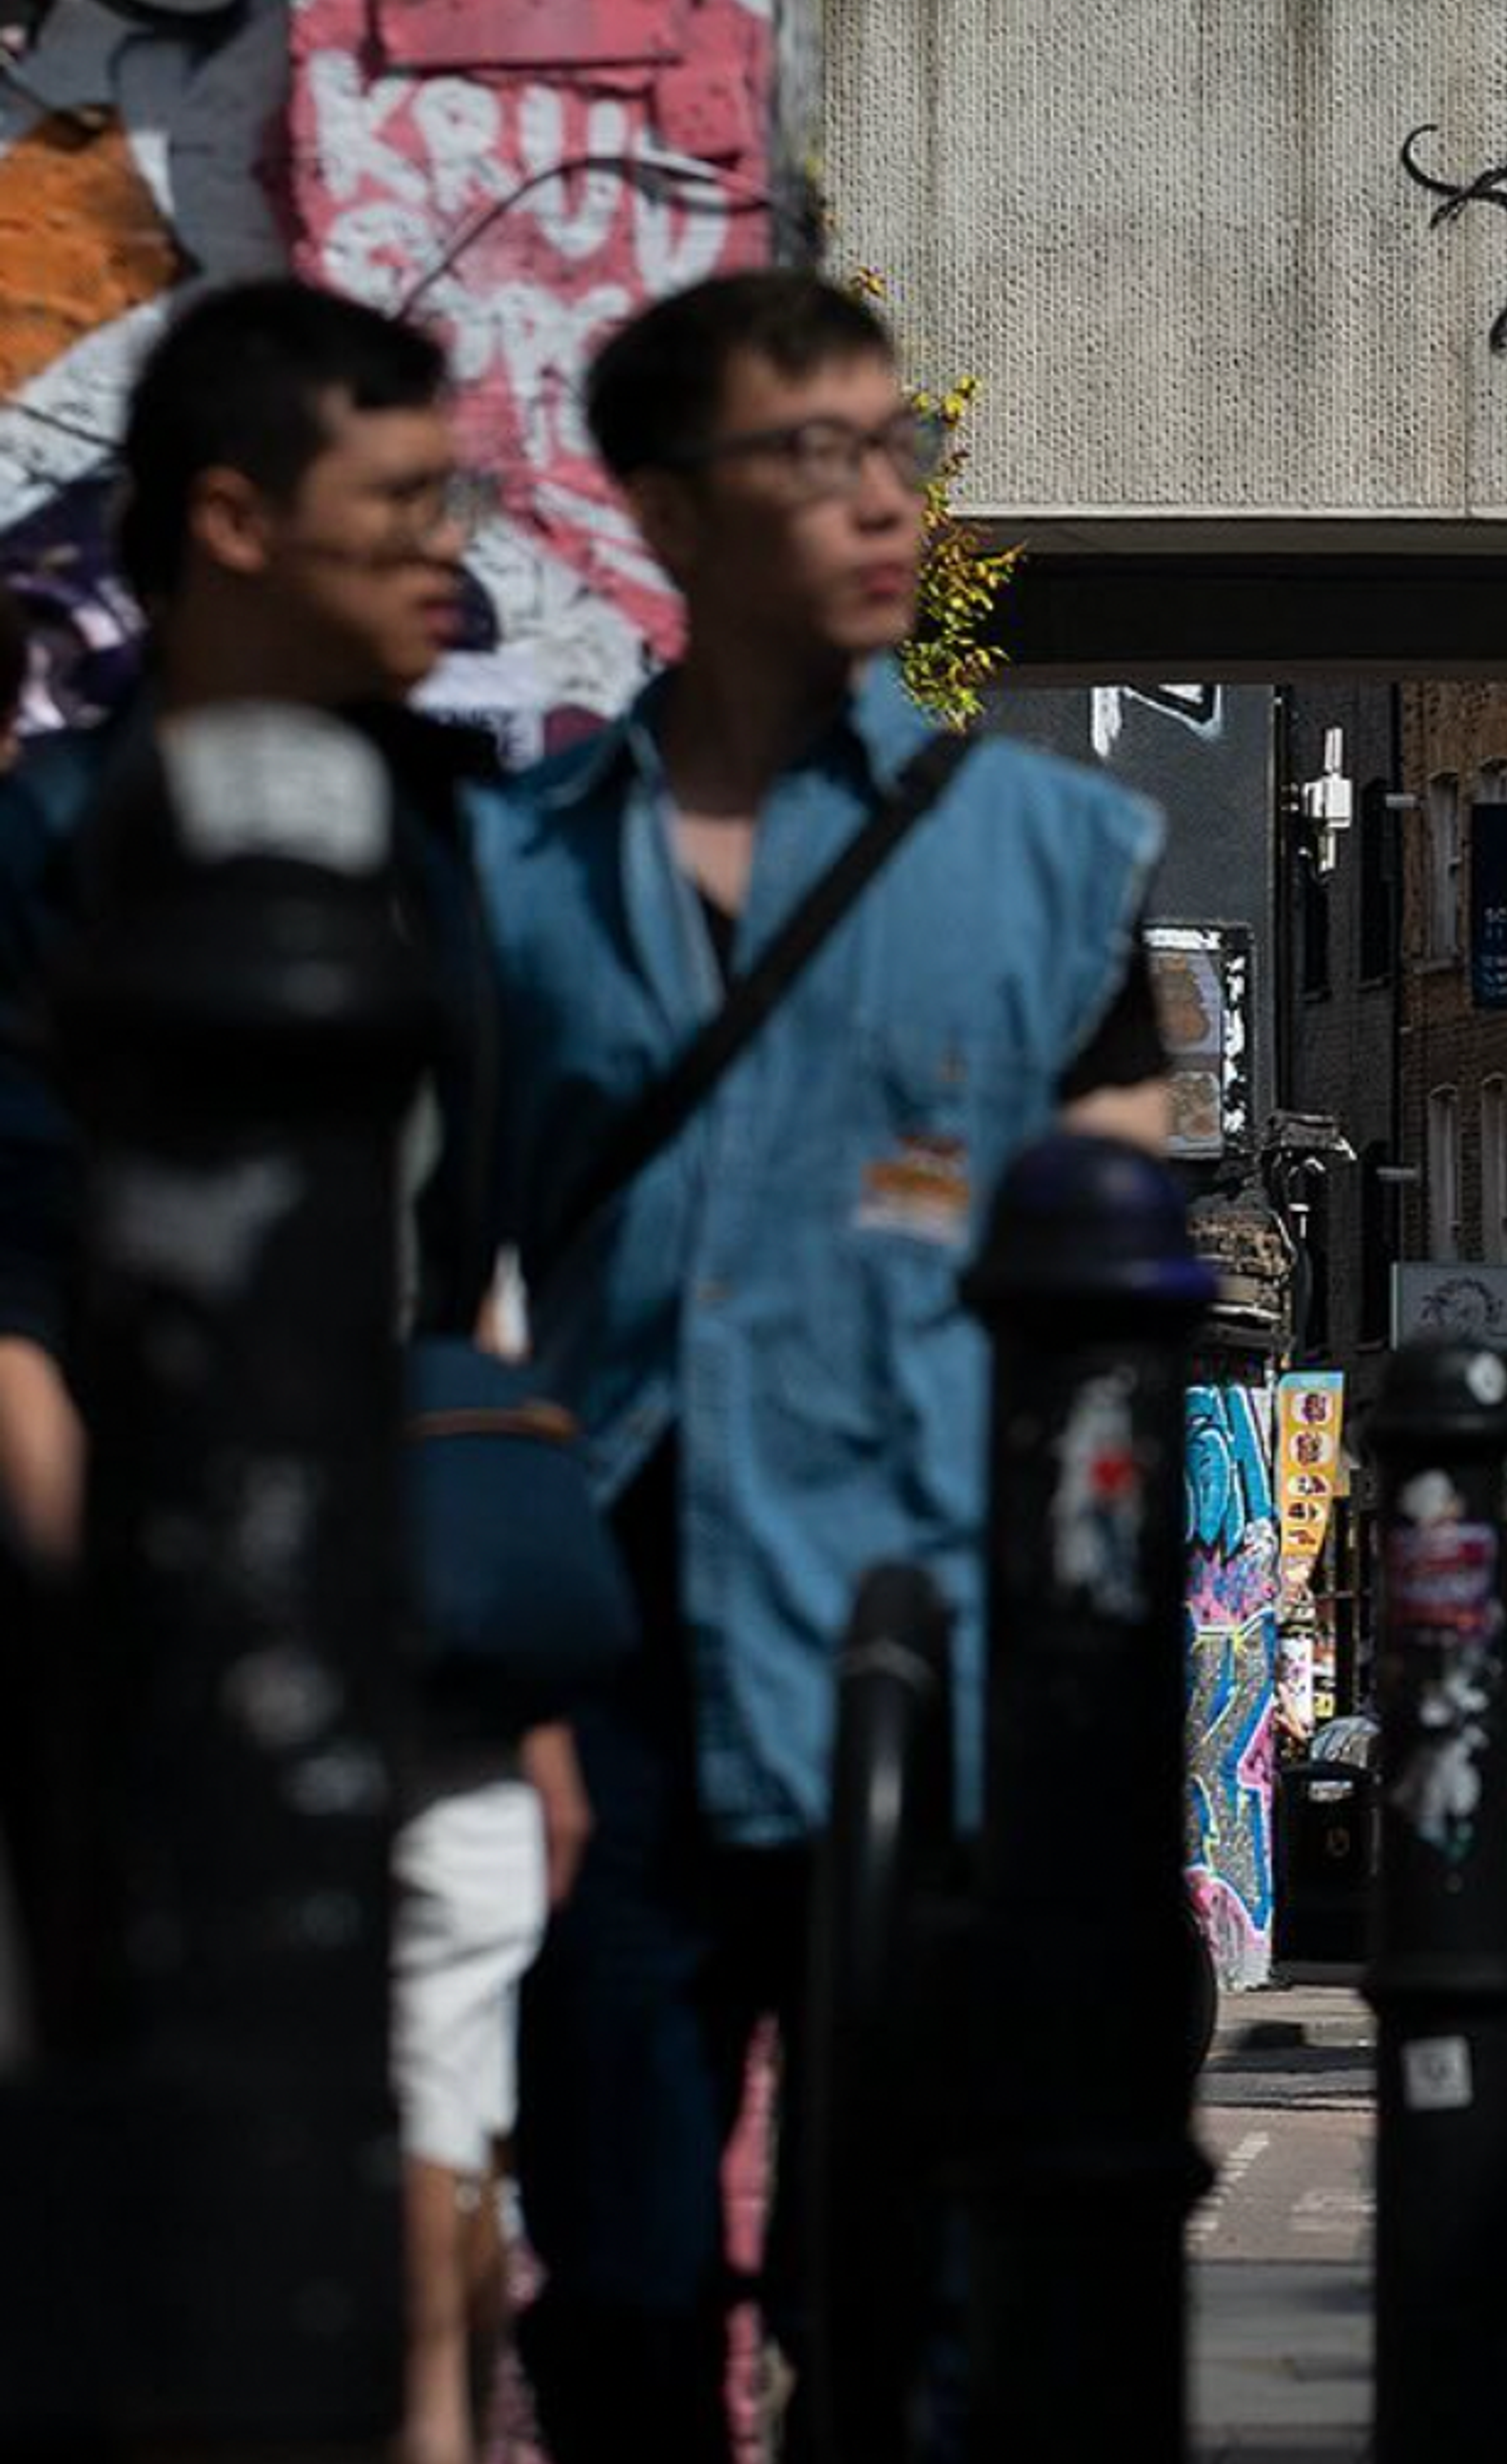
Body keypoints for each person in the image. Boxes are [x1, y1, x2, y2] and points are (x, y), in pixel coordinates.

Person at [475, 269, 1167, 2460]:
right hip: (609, 1673)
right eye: (817, 457)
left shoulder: (1053, 863)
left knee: (925, 2296)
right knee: (621, 2283)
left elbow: (1111, 1336)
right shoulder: (507, 874)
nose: (886, 502)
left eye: (902, 452)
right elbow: (434, 1285)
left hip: (936, 1652)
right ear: (668, 513)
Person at [0, 279, 587, 2464]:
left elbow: (470, 1255)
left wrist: (507, 1669)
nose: (458, 549)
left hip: (413, 1633)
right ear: (234, 519)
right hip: (125, 1676)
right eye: (403, 502)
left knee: (436, 2228)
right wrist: (146, 1622)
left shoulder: (449, 842)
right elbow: (11, 1282)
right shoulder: (56, 846)